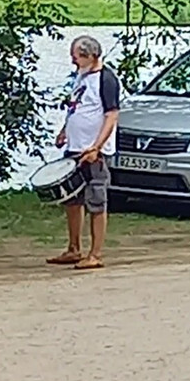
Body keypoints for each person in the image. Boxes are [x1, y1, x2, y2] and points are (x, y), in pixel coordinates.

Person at [47, 35, 121, 270]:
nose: (73, 61)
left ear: (91, 56)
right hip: (75, 147)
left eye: (76, 56)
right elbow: (77, 107)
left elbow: (111, 115)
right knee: (71, 199)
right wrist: (64, 130)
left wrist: (97, 146)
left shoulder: (106, 79)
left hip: (93, 149)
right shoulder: (82, 75)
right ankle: (73, 248)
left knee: (96, 199)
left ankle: (96, 253)